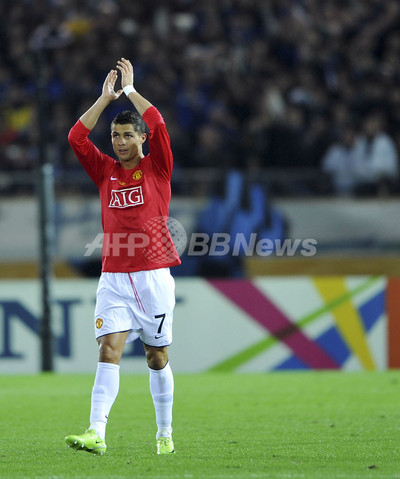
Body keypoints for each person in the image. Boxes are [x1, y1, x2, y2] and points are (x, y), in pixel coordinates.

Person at [65, 58, 180, 455]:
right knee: (107, 350)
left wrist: (130, 92)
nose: (119, 142)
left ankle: (164, 433)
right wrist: (103, 100)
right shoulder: (104, 171)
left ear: (142, 139)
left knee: (156, 356)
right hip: (113, 277)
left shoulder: (158, 169)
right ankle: (97, 432)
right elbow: (76, 139)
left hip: (152, 276)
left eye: (128, 135)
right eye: (115, 135)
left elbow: (161, 122)